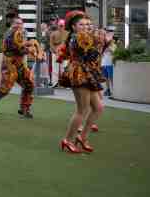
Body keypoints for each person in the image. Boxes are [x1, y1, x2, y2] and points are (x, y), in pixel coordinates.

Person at [58, 10, 105, 154]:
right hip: (80, 74)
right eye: (81, 24)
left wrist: (101, 41)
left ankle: (82, 137)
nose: (86, 26)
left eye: (87, 24)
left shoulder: (84, 36)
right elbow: (92, 55)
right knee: (82, 110)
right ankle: (68, 140)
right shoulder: (78, 38)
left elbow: (94, 54)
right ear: (73, 26)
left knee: (98, 108)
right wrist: (102, 41)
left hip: (87, 72)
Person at [0, 17, 41, 119]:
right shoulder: (9, 35)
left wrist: (34, 47)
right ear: (12, 24)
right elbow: (18, 49)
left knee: (29, 84)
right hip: (9, 64)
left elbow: (23, 47)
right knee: (5, 88)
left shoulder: (21, 34)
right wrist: (31, 49)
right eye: (16, 23)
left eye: (20, 24)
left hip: (19, 64)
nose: (19, 25)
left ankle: (24, 109)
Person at [50, 19, 69, 87]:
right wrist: (55, 51)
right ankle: (54, 83)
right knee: (55, 68)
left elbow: (69, 44)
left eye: (62, 26)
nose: (61, 27)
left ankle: (65, 83)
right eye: (60, 25)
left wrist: (66, 52)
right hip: (55, 53)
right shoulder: (53, 33)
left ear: (64, 26)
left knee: (64, 68)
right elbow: (51, 44)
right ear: (58, 26)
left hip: (65, 54)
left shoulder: (67, 33)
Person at [101, 26, 116, 97]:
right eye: (107, 32)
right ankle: (108, 90)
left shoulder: (114, 42)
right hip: (104, 63)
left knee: (111, 77)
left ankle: (114, 91)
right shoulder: (103, 42)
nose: (108, 33)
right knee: (106, 77)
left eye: (110, 32)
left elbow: (114, 52)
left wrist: (109, 49)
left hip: (110, 63)